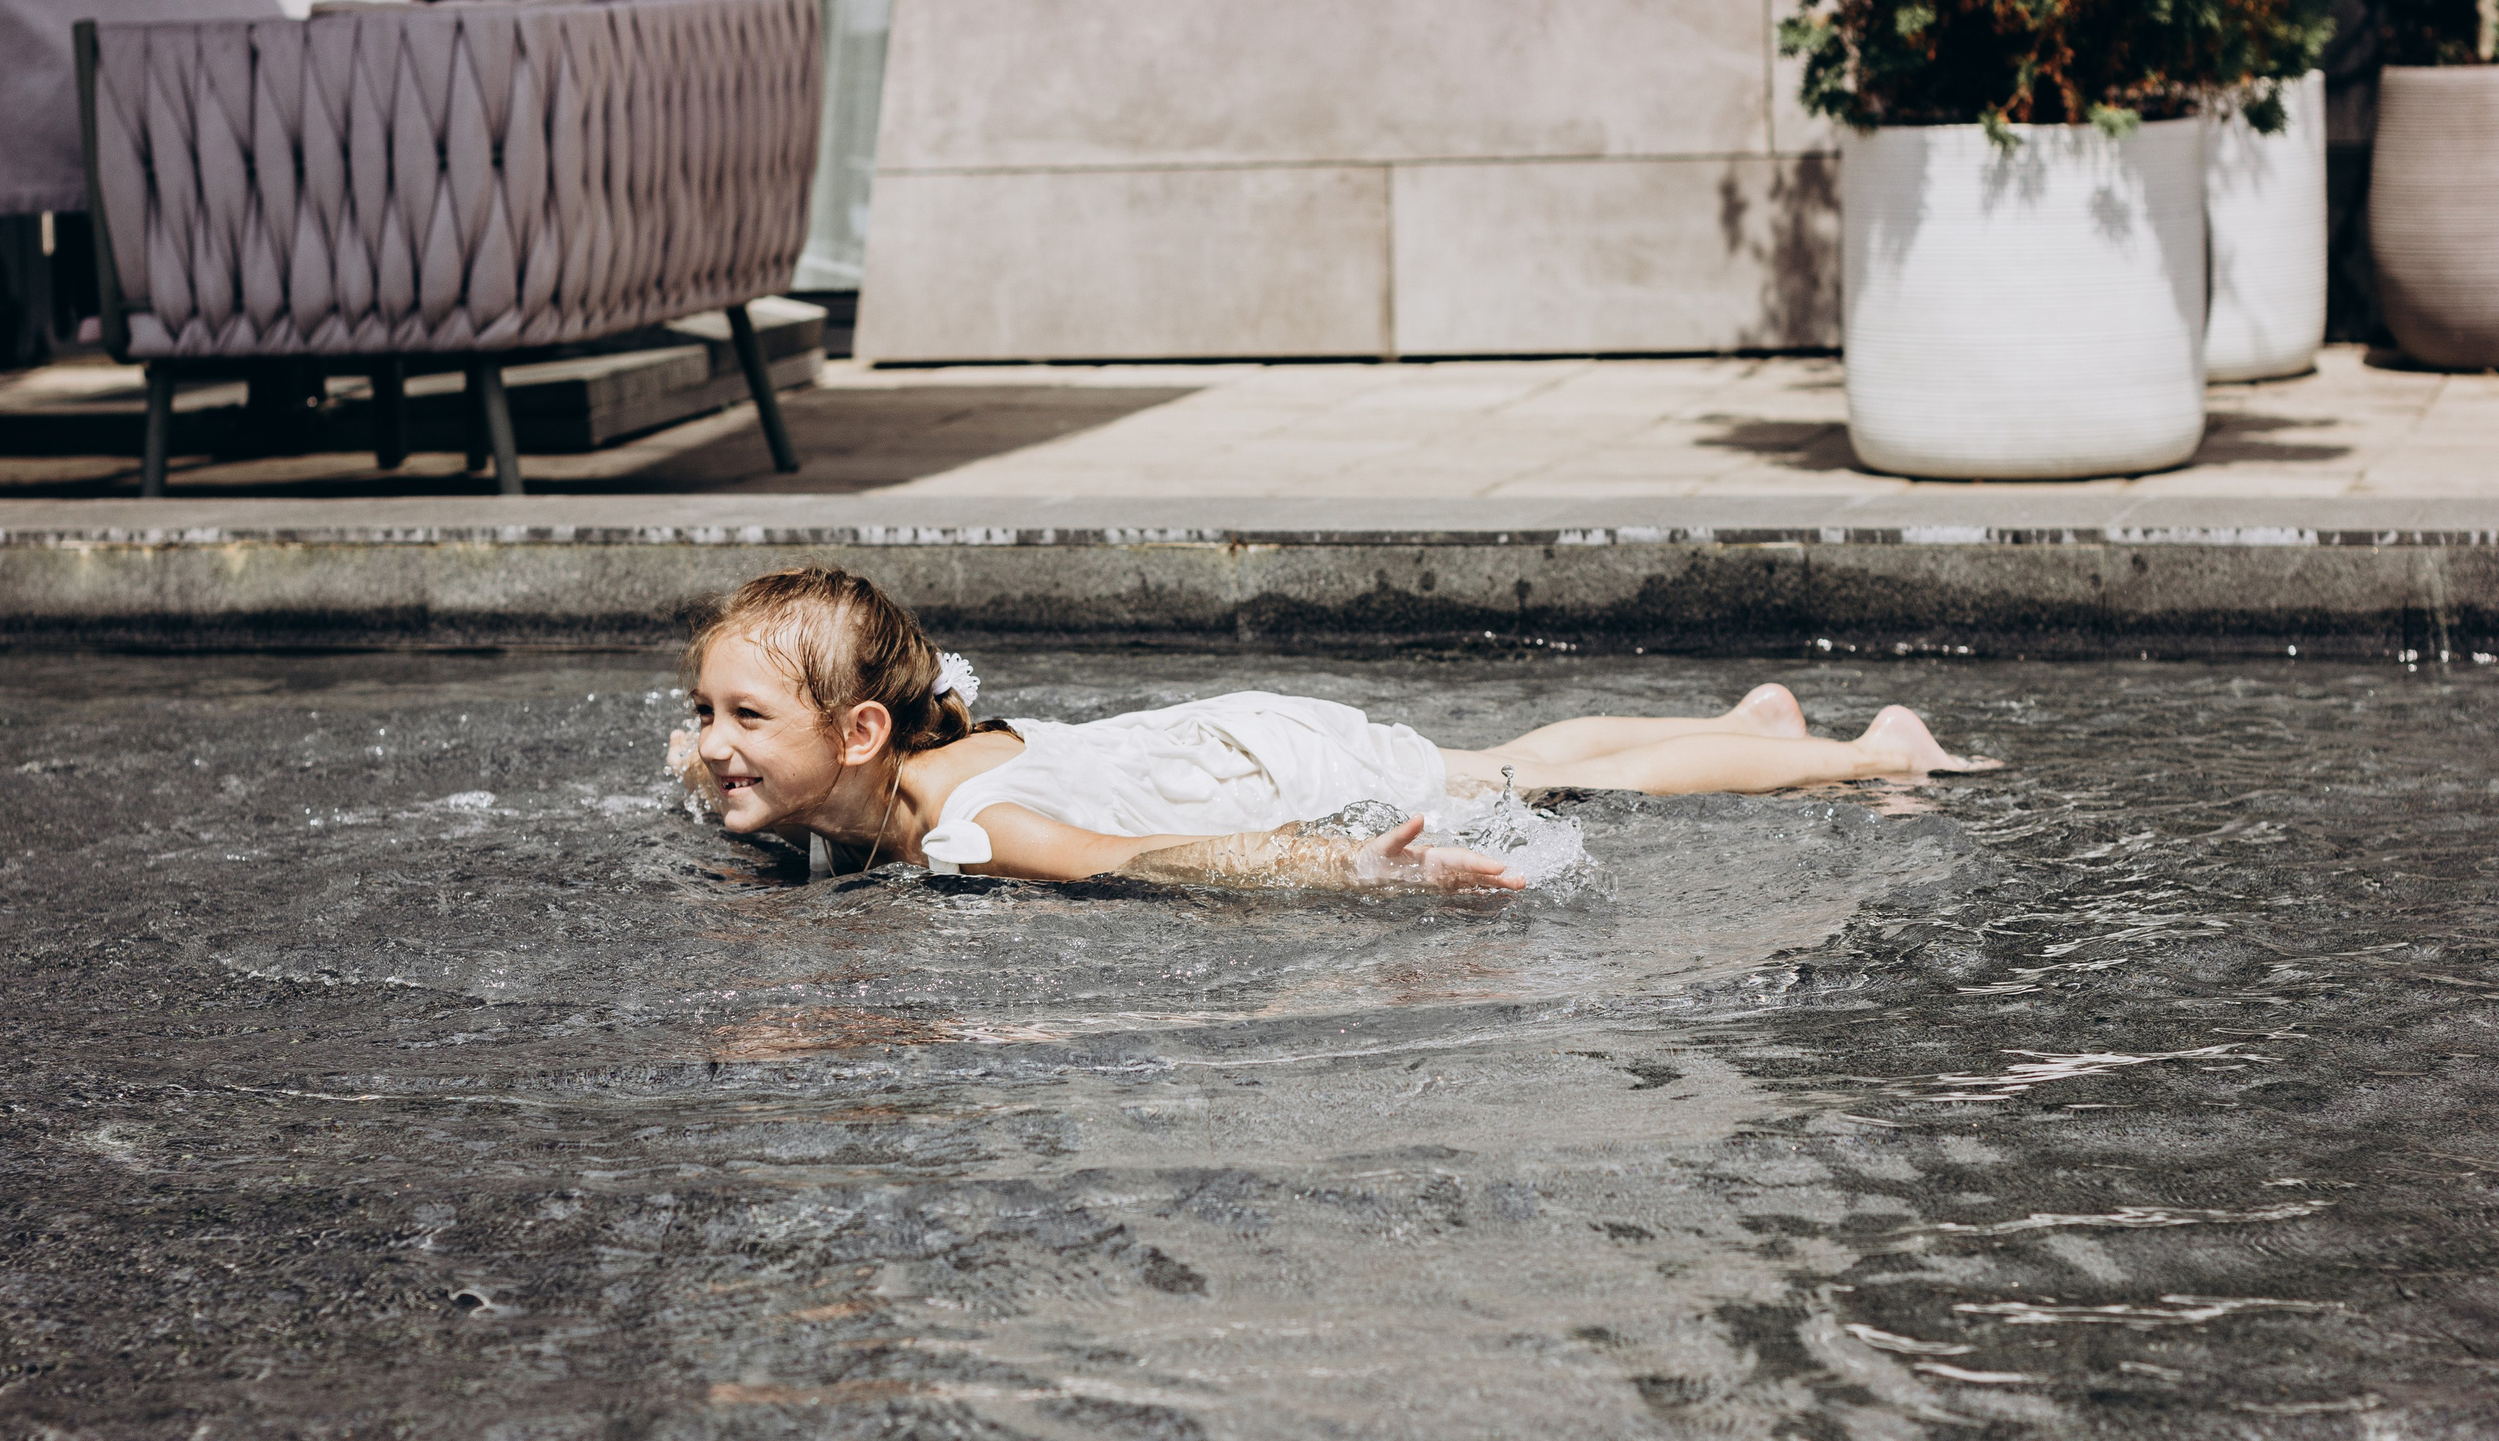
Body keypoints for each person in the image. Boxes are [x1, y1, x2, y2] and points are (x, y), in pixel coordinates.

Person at [669, 568, 1999, 893]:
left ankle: (1870, 752)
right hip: (1222, 732)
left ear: (856, 732)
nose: (712, 743)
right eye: (702, 713)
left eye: (742, 717)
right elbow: (722, 766)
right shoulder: (872, 762)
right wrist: (718, 764)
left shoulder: (967, 826)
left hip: (1269, 771)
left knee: (1536, 779)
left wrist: (1355, 866)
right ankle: (1748, 720)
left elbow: (1142, 864)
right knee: (1517, 752)